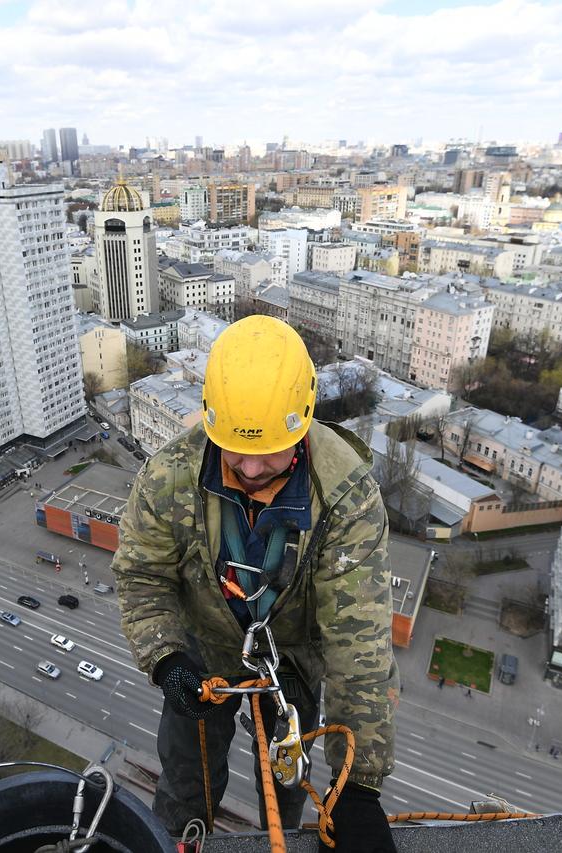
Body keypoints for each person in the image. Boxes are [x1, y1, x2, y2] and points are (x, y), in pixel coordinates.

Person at [113, 316, 398, 853]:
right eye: (234, 448)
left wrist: (357, 787)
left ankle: (285, 838)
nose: (247, 466)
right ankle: (180, 838)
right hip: (201, 658)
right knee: (184, 780)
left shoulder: (343, 495)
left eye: (268, 449)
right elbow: (142, 576)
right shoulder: (170, 477)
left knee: (289, 781)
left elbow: (358, 644)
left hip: (289, 660)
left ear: (304, 419)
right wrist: (167, 657)